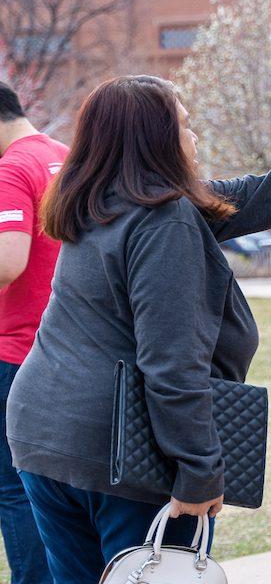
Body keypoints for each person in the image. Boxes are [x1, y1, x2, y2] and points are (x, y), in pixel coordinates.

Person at [4, 75, 271, 583]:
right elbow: (172, 364)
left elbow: (258, 195)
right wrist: (200, 469)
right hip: (114, 452)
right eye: (184, 126)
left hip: (43, 435)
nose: (194, 138)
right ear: (155, 140)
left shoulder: (97, 202)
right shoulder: (164, 221)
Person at [0, 82, 67, 584]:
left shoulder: (11, 169)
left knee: (13, 487)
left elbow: (8, 261)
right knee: (53, 488)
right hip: (63, 353)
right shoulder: (66, 157)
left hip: (13, 353)